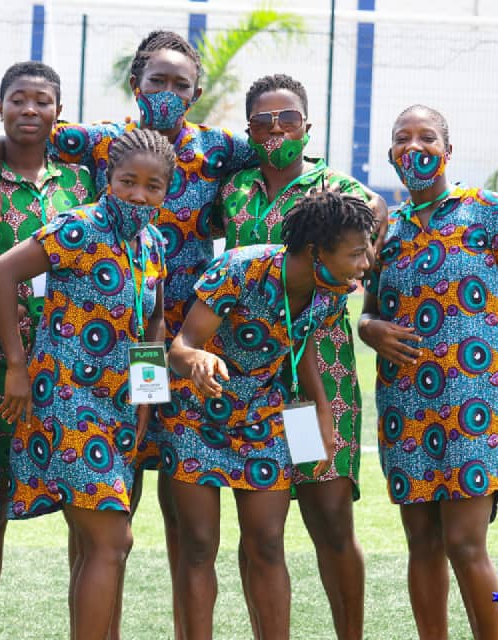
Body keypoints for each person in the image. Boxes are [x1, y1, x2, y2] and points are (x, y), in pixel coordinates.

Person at [359, 104, 498, 640]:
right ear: (391, 153)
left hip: (472, 404)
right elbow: (370, 307)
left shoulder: (488, 210)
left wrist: (479, 353)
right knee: (421, 543)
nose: (413, 147)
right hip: (404, 406)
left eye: (426, 138)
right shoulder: (388, 230)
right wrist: (368, 329)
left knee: (466, 543)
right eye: (402, 138)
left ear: (448, 150)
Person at [0, 127, 175, 640]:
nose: (139, 195)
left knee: (100, 545)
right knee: (112, 541)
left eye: (152, 186)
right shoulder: (80, 227)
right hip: (68, 398)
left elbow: (153, 318)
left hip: (118, 406)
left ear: (166, 192)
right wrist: (18, 367)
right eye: (128, 181)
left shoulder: (152, 241)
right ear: (107, 180)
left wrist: (147, 394)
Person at [216, 74, 386, 640]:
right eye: (262, 121)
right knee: (261, 532)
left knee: (328, 517)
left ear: (307, 126)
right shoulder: (234, 188)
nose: (275, 130)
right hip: (252, 385)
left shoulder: (334, 187)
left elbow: (373, 221)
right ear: (249, 130)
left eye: (287, 118)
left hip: (316, 378)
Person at [165, 191, 377, 640]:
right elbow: (181, 346)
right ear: (317, 251)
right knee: (199, 545)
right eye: (357, 253)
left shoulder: (330, 291)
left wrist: (322, 414)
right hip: (198, 415)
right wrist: (198, 361)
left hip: (262, 413)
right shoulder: (240, 269)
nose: (365, 263)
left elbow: (299, 351)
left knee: (266, 541)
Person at [0, 60, 96, 640]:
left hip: (71, 373)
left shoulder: (84, 181)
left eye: (42, 101)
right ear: (0, 109)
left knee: (83, 515)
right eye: (18, 100)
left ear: (59, 113)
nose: (30, 111)